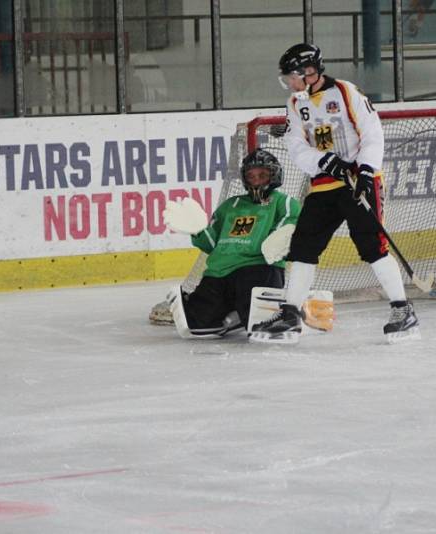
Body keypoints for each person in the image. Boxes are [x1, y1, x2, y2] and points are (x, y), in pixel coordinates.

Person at [251, 43, 419, 344]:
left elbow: (372, 132)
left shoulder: (345, 92)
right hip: (325, 185)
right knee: (303, 245)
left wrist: (366, 171)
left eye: (292, 76)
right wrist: (324, 160)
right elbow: (297, 146)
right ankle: (291, 313)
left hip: (357, 183)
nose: (289, 82)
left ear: (310, 72)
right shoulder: (294, 103)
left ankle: (402, 309)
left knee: (371, 246)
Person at [164, 149, 301, 338]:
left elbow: (288, 229)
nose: (256, 180)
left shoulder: (284, 202)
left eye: (262, 175)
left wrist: (280, 240)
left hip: (258, 268)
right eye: (251, 176)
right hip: (218, 272)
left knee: (259, 325)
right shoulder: (231, 205)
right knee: (199, 327)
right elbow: (211, 244)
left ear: (274, 175)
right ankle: (234, 315)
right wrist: (198, 231)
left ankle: (262, 312)